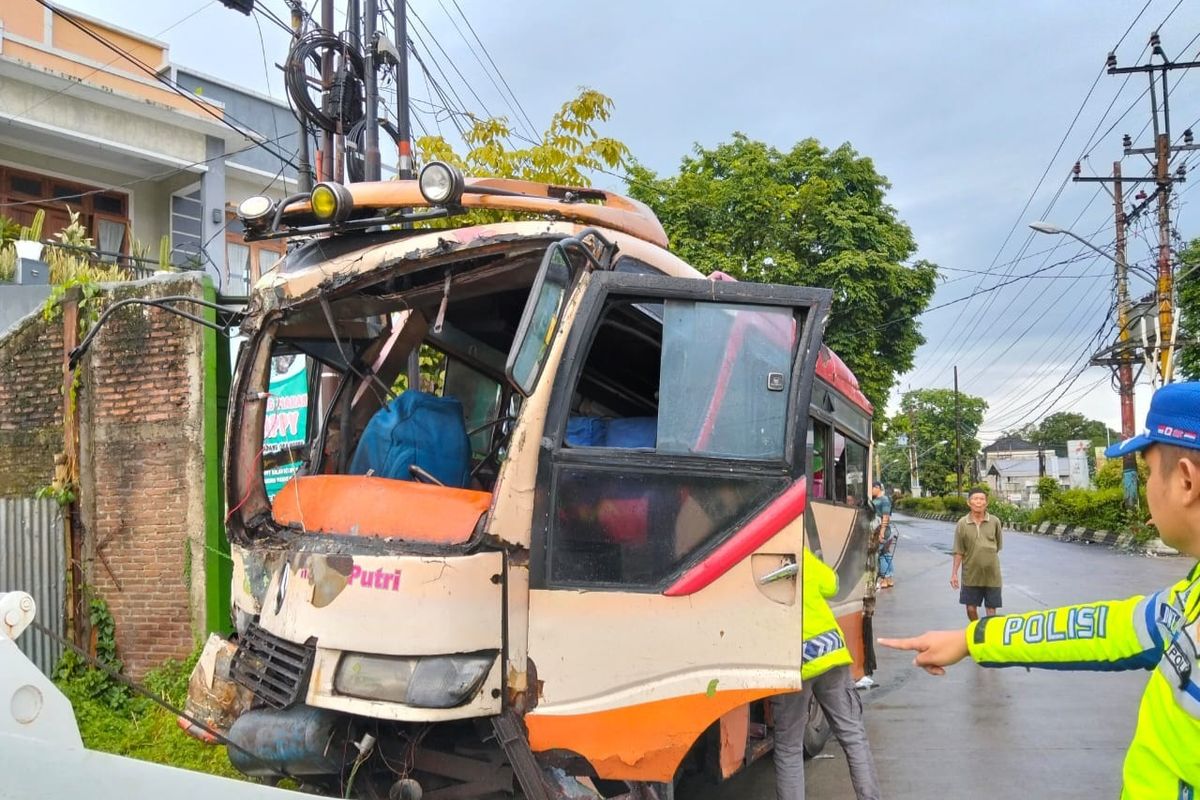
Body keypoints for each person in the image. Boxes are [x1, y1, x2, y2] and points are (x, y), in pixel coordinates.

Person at [878, 381, 1200, 799]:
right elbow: (1105, 628)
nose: (1147, 489)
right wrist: (970, 638)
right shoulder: (1188, 600)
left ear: (1186, 481)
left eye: (1148, 472)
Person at [771, 548, 881, 800]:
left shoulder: (746, 560)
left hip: (792, 661)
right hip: (830, 651)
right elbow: (832, 585)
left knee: (789, 747)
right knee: (853, 737)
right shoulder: (797, 550)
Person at [951, 488, 1003, 620]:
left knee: (991, 610)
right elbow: (959, 550)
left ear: (986, 503)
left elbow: (998, 545)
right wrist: (954, 574)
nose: (978, 502)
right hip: (971, 575)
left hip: (992, 574)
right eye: (975, 499)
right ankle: (977, 629)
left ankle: (988, 636)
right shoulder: (962, 523)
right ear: (969, 502)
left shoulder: (995, 521)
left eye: (981, 499)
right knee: (970, 609)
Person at [871, 482, 896, 589]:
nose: (871, 490)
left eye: (872, 488)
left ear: (877, 488)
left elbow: (886, 517)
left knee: (880, 554)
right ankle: (889, 578)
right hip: (880, 529)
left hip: (882, 530)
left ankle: (884, 579)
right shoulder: (876, 499)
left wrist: (881, 532)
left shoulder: (884, 500)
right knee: (886, 554)